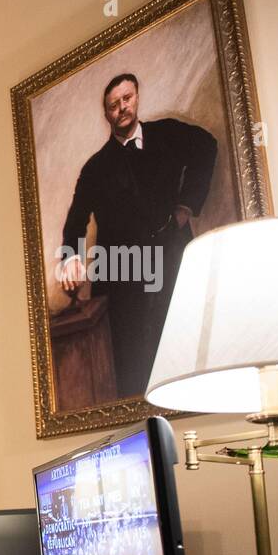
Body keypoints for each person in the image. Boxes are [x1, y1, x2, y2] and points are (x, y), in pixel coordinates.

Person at [57, 73, 217, 400]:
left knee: (181, 338)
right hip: (123, 273)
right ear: (106, 114)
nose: (122, 108)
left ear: (137, 97)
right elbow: (75, 222)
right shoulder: (95, 168)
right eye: (114, 105)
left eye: (126, 99)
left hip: (172, 255)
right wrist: (72, 259)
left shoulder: (169, 133)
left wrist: (186, 205)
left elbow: (207, 146)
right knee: (133, 362)